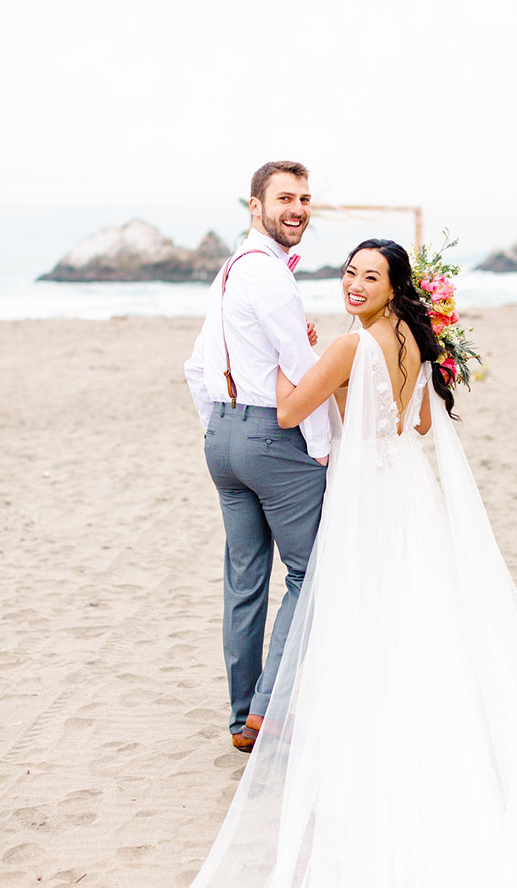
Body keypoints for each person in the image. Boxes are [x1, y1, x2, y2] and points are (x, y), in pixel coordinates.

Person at [188, 240, 517, 887]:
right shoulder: (409, 337)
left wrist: (293, 358)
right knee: (417, 612)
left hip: (365, 496)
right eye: (348, 272)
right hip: (407, 487)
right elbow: (423, 421)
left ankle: (375, 750)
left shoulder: (350, 346)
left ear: (394, 285)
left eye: (368, 276)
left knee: (365, 613)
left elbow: (290, 409)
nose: (353, 284)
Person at [184, 160, 330, 753]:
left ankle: (242, 713)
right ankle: (267, 713)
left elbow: (195, 367)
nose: (297, 209)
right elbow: (301, 365)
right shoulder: (268, 275)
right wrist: (320, 448)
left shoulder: (228, 274)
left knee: (245, 583)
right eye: (285, 198)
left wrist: (219, 428)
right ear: (255, 206)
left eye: (304, 198)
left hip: (223, 439)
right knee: (312, 572)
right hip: (273, 439)